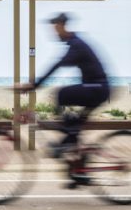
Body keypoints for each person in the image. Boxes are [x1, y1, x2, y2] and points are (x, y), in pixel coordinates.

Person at [15, 12, 110, 162]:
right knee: (74, 125)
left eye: (55, 27)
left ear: (61, 26)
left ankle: (68, 140)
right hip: (98, 88)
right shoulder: (75, 43)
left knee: (61, 94)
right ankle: (78, 163)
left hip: (96, 88)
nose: (54, 31)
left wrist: (34, 85)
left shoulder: (76, 45)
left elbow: (57, 66)